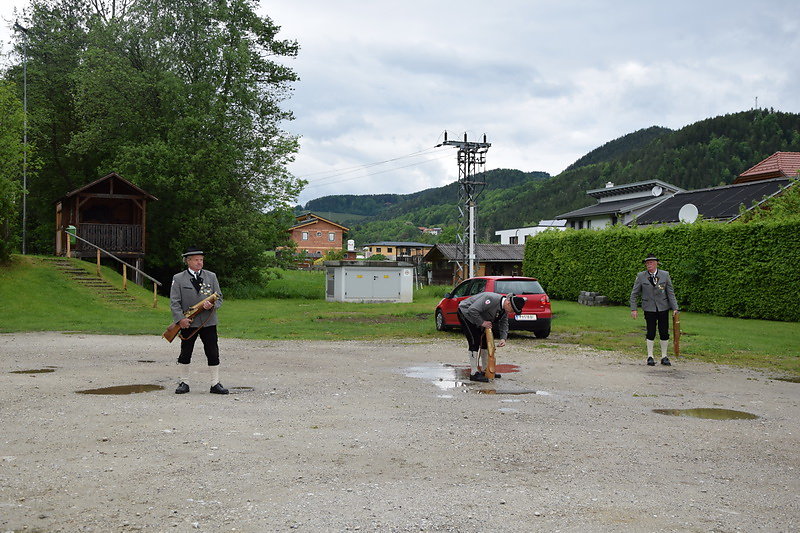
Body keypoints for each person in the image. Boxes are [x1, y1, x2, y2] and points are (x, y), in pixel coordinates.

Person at [170, 247, 228, 394]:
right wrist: (180, 319)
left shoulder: (211, 276)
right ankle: (184, 382)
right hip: (188, 322)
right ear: (188, 261)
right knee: (185, 352)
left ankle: (215, 383)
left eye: (201, 260)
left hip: (208, 322)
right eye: (196, 260)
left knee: (213, 352)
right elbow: (174, 302)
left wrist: (212, 304)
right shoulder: (178, 278)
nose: (199, 262)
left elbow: (219, 296)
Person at [457, 292, 526, 382]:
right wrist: (482, 322)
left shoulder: (504, 309)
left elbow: (504, 323)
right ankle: (474, 373)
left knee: (486, 342)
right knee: (475, 340)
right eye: (512, 310)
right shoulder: (491, 299)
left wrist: (503, 338)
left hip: (478, 316)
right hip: (466, 312)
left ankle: (486, 370)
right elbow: (472, 310)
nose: (512, 312)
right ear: (508, 303)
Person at [630, 254, 679, 366]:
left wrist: (675, 308)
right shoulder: (641, 276)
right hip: (649, 308)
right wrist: (634, 309)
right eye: (647, 263)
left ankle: (664, 356)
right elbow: (634, 294)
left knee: (664, 332)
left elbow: (670, 293)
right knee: (650, 331)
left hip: (663, 308)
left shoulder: (665, 275)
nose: (649, 265)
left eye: (651, 262)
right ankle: (650, 356)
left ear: (656, 263)